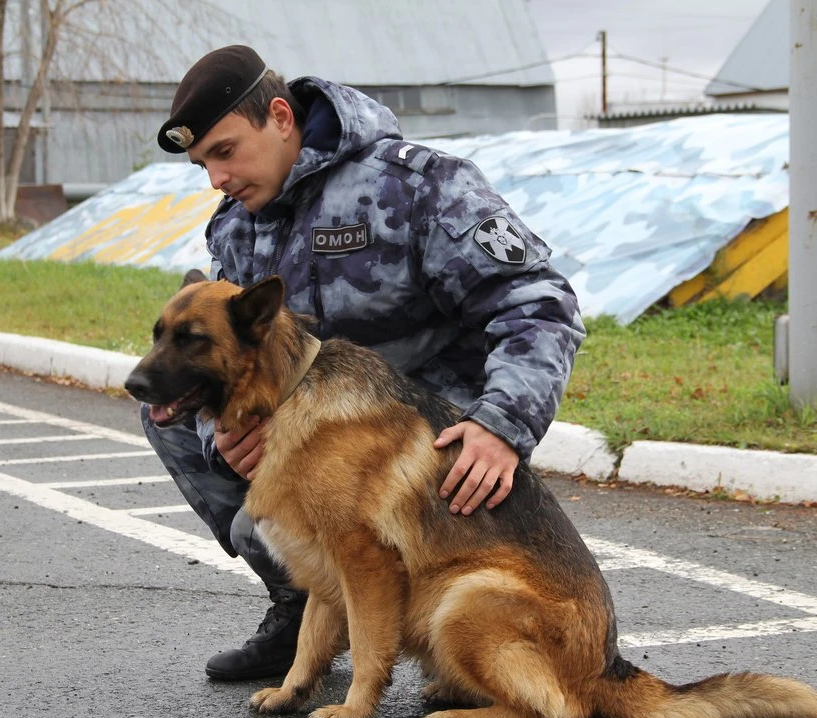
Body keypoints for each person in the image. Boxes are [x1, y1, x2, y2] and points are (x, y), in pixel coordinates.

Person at [142, 45, 586, 681]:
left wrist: (502, 425)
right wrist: (223, 437)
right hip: (316, 435)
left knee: (295, 512)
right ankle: (304, 605)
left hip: (427, 443)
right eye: (202, 163)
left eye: (225, 151)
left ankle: (435, 617)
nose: (216, 178)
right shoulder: (238, 228)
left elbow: (539, 303)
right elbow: (221, 358)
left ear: (280, 116)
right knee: (168, 411)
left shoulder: (416, 187)